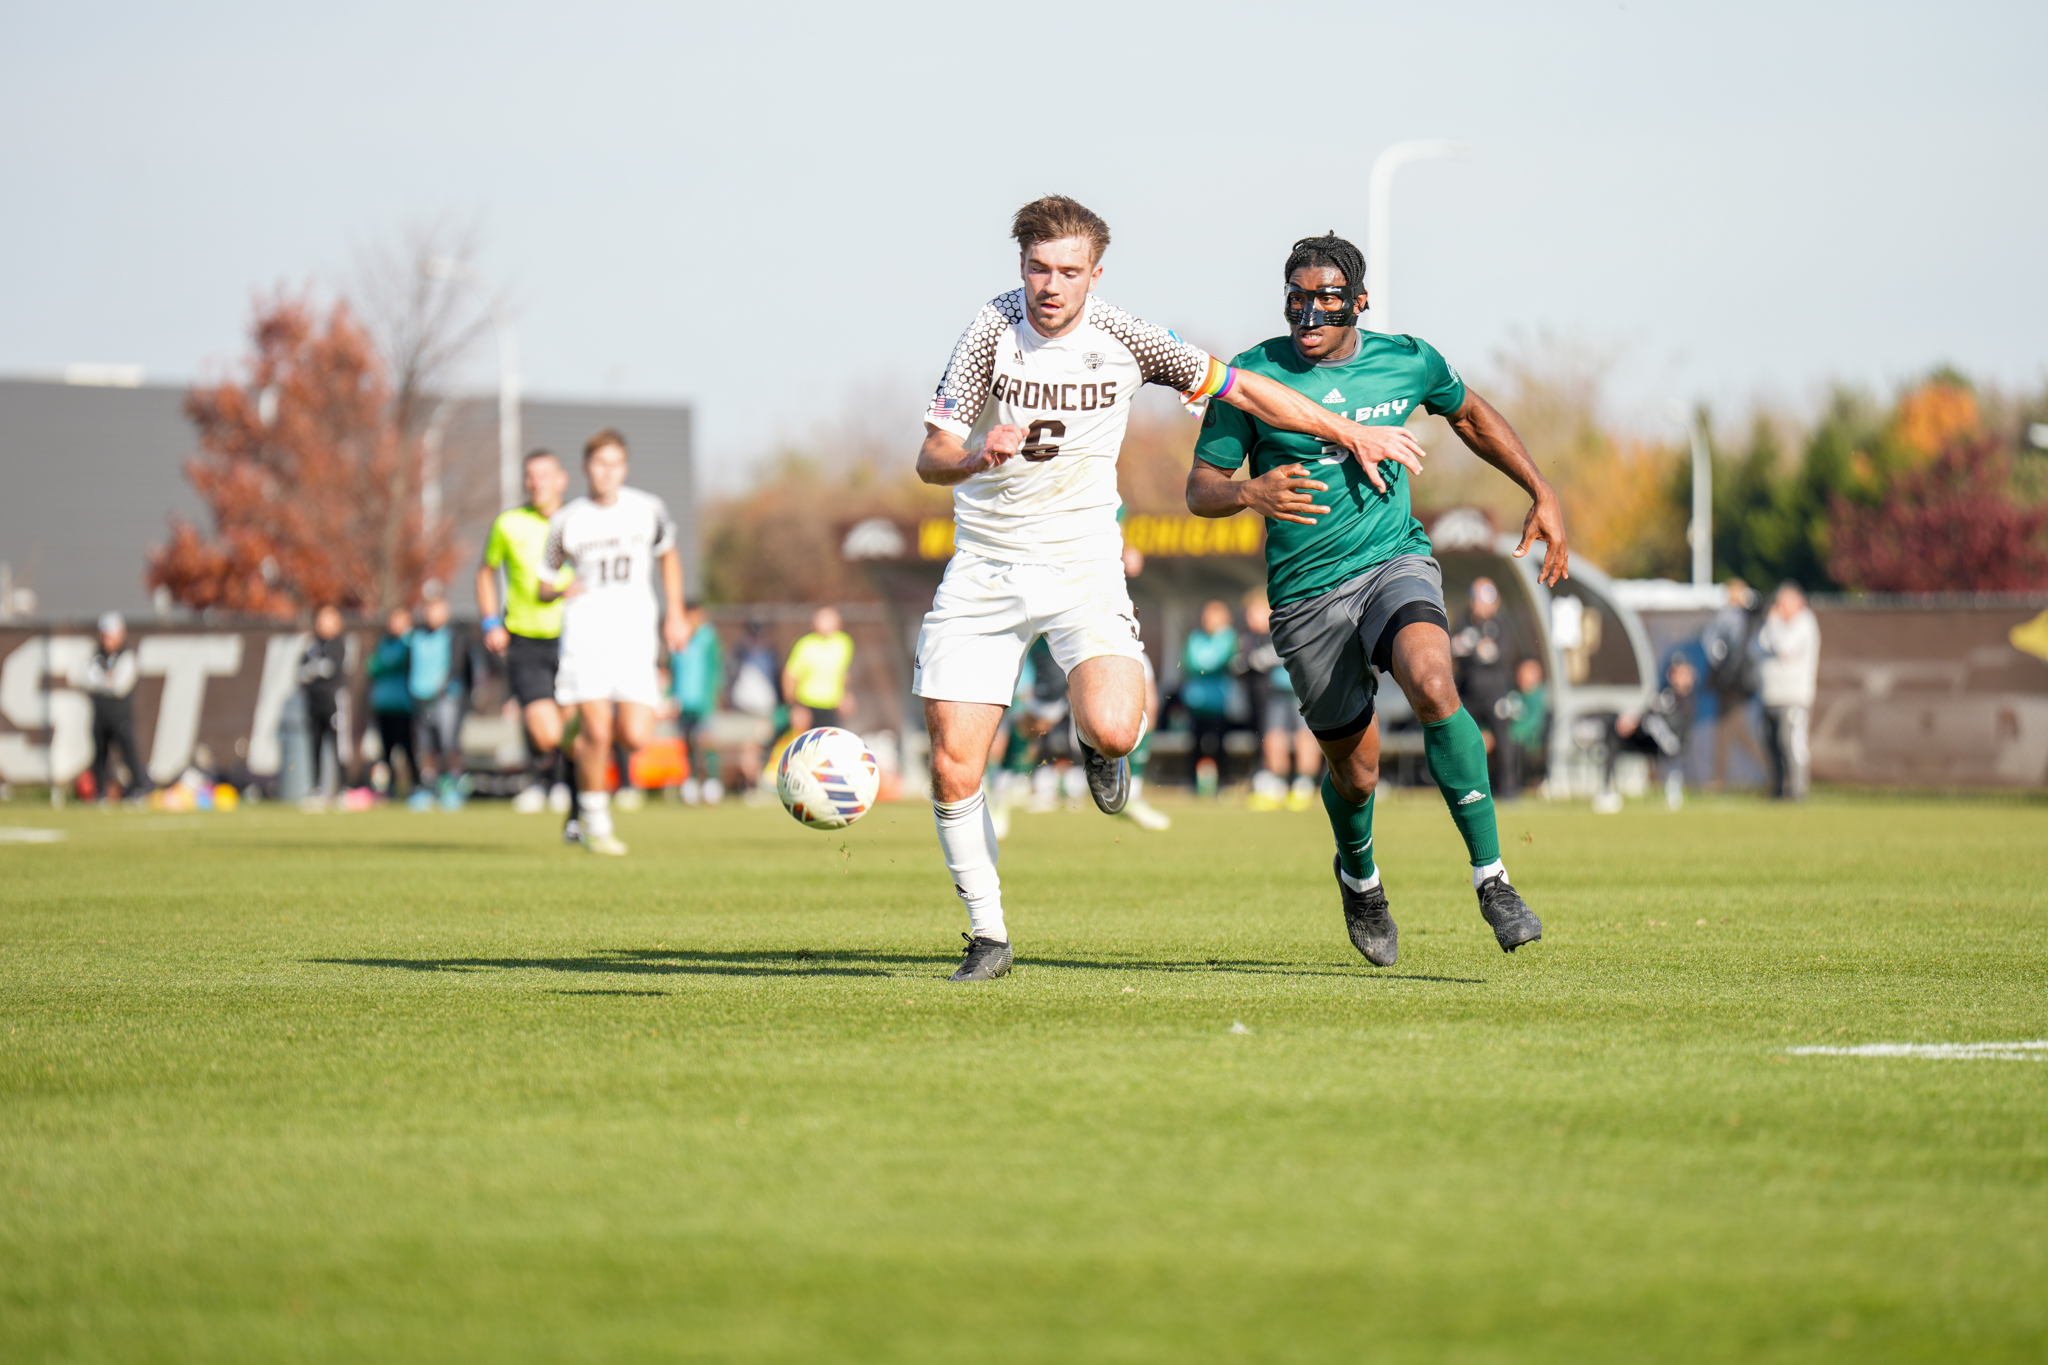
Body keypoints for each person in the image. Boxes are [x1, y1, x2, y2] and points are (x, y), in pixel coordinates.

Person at [914, 196, 1414, 982]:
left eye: (1069, 271)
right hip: (987, 564)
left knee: (1116, 728)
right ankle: (988, 936)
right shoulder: (989, 330)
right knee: (953, 766)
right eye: (1039, 269)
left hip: (1083, 562)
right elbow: (932, 453)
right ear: (1021, 267)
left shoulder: (1127, 335)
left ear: (1095, 273)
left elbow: (1246, 389)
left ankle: (1096, 746)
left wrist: (1349, 431)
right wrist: (978, 453)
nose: (1052, 285)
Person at [1187, 231, 1569, 968]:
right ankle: (1359, 874)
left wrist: (1540, 488)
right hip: (1304, 596)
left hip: (1393, 561)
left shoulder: (1408, 358)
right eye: (1296, 298)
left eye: (1326, 299)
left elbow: (1470, 415)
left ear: (1359, 302)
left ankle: (1493, 878)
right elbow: (1200, 488)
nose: (1309, 313)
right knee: (1354, 772)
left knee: (1433, 680)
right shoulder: (1252, 375)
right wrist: (1248, 491)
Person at [540, 428, 689, 855]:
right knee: (599, 730)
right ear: (587, 467)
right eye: (599, 463)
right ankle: (596, 823)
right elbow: (543, 583)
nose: (607, 472)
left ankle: (576, 734)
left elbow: (669, 555)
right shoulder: (566, 520)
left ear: (624, 467)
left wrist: (675, 612)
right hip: (586, 635)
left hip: (635, 635)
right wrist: (558, 590)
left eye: (615, 464)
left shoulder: (648, 509)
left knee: (637, 736)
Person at [478, 448, 574, 816]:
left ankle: (566, 788)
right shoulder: (508, 524)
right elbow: (484, 571)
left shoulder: (578, 521)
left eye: (544, 475)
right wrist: (490, 621)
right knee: (544, 728)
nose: (537, 483)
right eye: (530, 476)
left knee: (570, 722)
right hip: (524, 639)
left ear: (561, 479)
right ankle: (538, 782)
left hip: (572, 639)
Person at [1240, 588, 1319, 812]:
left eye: (1254, 611)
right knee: (1274, 737)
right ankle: (1278, 786)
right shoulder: (1256, 636)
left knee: (1305, 736)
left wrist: (1266, 657)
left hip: (1300, 689)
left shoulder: (1288, 619)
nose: (1250, 617)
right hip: (1276, 691)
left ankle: (1303, 786)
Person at [1592, 655, 1697, 812]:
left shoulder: (1686, 700)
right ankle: (1608, 790)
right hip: (1651, 741)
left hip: (1671, 745)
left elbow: (1669, 724)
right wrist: (1632, 722)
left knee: (1654, 725)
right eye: (1675, 672)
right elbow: (1647, 714)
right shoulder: (1663, 695)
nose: (1679, 677)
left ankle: (1673, 788)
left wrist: (1641, 720)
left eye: (1682, 672)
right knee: (1614, 733)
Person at [1754, 580, 1820, 801]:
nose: (1778, 608)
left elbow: (1785, 647)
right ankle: (1779, 789)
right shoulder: (1774, 625)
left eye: (1782, 603)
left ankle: (1797, 790)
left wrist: (1773, 623)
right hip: (1770, 695)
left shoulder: (1804, 623)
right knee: (1771, 744)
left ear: (1797, 602)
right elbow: (1755, 649)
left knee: (1790, 743)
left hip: (1793, 696)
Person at [1701, 576, 1769, 788]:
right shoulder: (1742, 616)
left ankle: (1770, 770)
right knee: (1728, 728)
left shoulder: (1735, 616)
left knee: (1732, 728)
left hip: (1734, 681)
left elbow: (1712, 643)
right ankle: (1721, 776)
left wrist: (1720, 665)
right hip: (1736, 681)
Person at [1450, 577, 1517, 789]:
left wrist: (1475, 650)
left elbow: (1499, 654)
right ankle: (1468, 786)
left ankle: (1507, 788)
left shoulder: (1501, 624)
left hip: (1495, 691)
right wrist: (1473, 650)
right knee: (1466, 740)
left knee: (1503, 740)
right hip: (1469, 691)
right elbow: (1454, 649)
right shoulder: (1463, 621)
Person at [74, 611, 147, 802]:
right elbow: (82, 678)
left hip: (120, 715)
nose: (107, 640)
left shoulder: (127, 655)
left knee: (128, 753)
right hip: (100, 715)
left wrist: (100, 682)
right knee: (100, 755)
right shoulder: (95, 656)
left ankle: (138, 790)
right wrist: (105, 681)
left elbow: (119, 686)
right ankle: (99, 793)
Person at [406, 593, 471, 810]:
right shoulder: (416, 636)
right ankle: (427, 787)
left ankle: (451, 786)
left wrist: (442, 688)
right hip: (421, 699)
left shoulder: (454, 635)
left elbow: (458, 665)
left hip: (447, 698)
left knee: (449, 744)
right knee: (426, 747)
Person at [1179, 599, 1239, 797]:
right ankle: (1192, 783)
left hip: (1219, 703)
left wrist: (1205, 666)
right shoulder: (1195, 637)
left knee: (1220, 745)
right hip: (1197, 702)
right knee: (1195, 744)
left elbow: (1225, 661)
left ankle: (1223, 783)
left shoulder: (1229, 637)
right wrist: (1207, 666)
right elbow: (1190, 662)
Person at [671, 600, 724, 804]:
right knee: (687, 743)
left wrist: (712, 697)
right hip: (683, 702)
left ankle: (712, 782)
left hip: (703, 701)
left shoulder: (709, 637)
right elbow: (674, 669)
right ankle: (691, 781)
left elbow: (716, 669)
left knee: (706, 741)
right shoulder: (678, 638)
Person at [296, 605, 349, 802]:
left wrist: (314, 669)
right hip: (313, 702)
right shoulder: (311, 645)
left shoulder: (339, 644)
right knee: (315, 744)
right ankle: (317, 788)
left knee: (338, 745)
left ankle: (342, 787)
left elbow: (330, 668)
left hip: (333, 701)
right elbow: (302, 670)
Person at [782, 607, 855, 732]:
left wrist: (845, 695)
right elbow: (790, 677)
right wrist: (795, 707)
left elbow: (842, 673)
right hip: (808, 707)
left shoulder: (844, 643)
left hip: (831, 707)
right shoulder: (804, 645)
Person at [1498, 657, 1550, 797]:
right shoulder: (1510, 693)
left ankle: (1509, 789)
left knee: (1506, 747)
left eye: (1528, 672)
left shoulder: (1539, 697)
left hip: (1528, 745)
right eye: (1521, 672)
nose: (1523, 676)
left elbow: (1532, 725)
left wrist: (1502, 736)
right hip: (1505, 739)